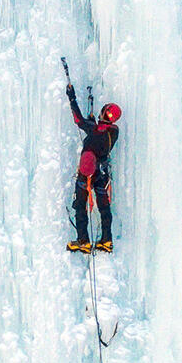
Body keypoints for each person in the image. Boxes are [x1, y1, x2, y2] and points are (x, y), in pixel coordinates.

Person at [65, 83, 121, 254]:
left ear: (104, 113)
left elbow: (78, 120)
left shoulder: (95, 129)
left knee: (80, 204)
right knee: (104, 207)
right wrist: (93, 124)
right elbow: (100, 131)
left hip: (87, 173)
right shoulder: (114, 131)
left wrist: (72, 97)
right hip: (102, 174)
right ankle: (106, 240)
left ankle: (83, 241)